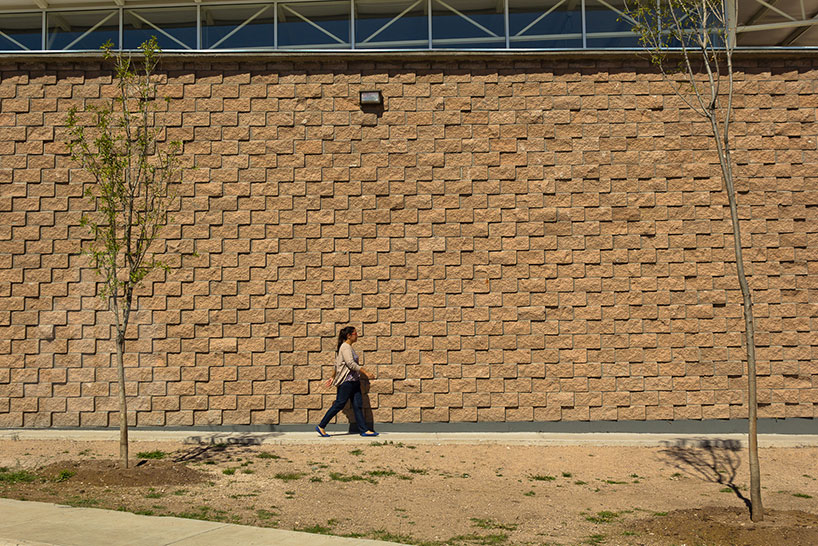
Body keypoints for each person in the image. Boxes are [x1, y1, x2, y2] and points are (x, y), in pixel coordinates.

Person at [315, 326, 379, 437]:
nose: (357, 335)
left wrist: (332, 377)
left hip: (354, 382)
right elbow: (350, 364)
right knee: (339, 404)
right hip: (347, 383)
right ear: (349, 335)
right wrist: (366, 372)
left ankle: (364, 430)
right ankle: (321, 426)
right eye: (355, 333)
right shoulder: (345, 347)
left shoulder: (347, 347)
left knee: (358, 405)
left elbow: (337, 364)